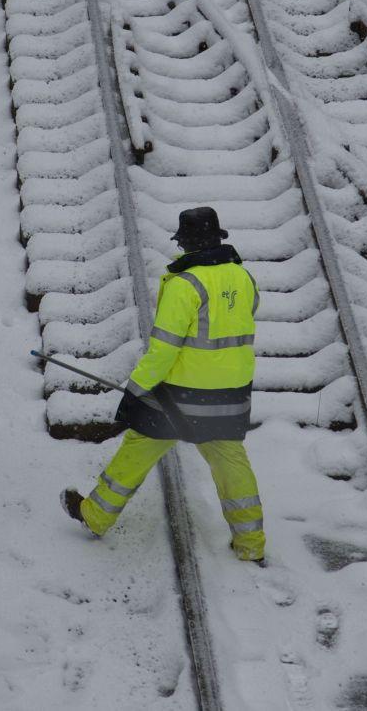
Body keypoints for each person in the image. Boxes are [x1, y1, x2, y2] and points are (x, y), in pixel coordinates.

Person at [61, 207, 265, 562]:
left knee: (138, 447)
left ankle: (96, 515)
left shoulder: (185, 285)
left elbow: (163, 350)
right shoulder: (243, 276)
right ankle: (251, 544)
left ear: (185, 243)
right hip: (232, 391)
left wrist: (135, 390)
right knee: (230, 459)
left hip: (181, 394)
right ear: (218, 238)